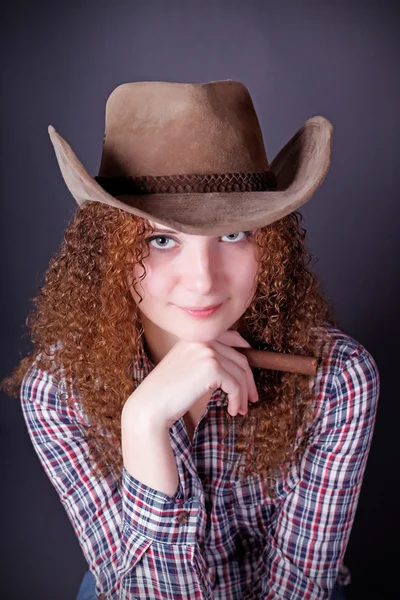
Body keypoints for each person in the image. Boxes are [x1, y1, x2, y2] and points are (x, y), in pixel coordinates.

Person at [1, 80, 380, 599]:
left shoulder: (338, 379)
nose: (202, 279)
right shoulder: (56, 391)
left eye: (233, 234)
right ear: (108, 253)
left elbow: (299, 584)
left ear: (272, 246)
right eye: (160, 239)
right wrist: (144, 423)